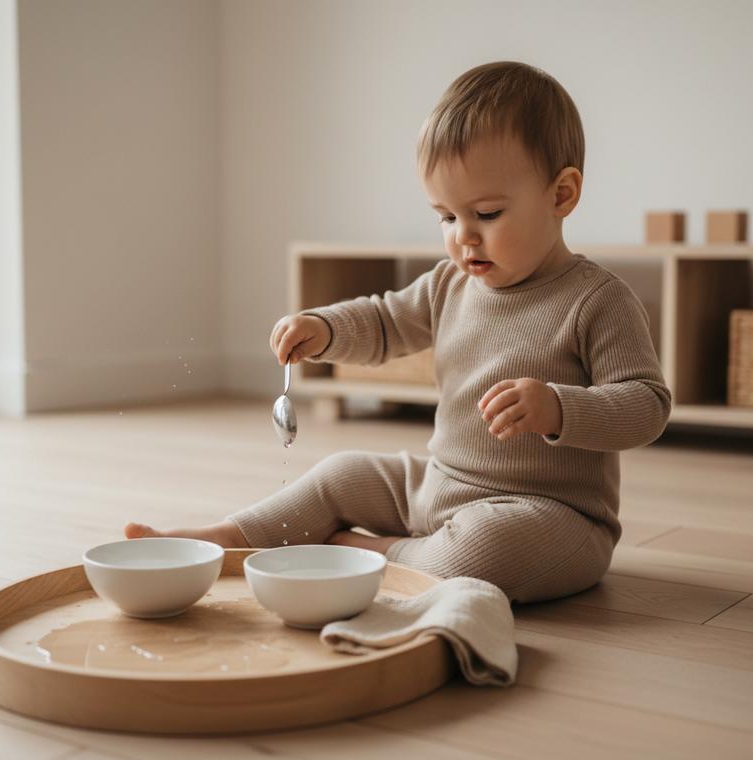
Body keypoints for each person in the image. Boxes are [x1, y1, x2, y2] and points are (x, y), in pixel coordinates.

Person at [125, 61, 671, 603]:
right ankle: (231, 538)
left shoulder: (598, 301)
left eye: (485, 213)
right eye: (447, 217)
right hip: (438, 485)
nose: (464, 239)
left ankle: (388, 554)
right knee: (342, 473)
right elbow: (386, 322)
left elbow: (647, 406)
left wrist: (558, 408)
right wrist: (326, 328)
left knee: (484, 551)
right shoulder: (450, 284)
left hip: (549, 516)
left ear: (561, 195)